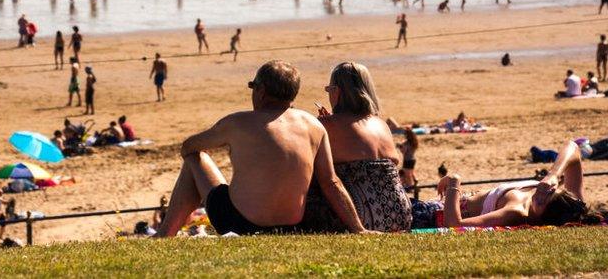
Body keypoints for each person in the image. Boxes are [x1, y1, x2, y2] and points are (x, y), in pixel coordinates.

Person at [153, 61, 366, 237]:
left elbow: (188, 146)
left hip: (239, 222)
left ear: (261, 91)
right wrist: (358, 229)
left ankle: (165, 233)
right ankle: (166, 233)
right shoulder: (314, 125)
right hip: (290, 226)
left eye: (253, 87)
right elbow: (331, 182)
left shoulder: (237, 123)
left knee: (195, 158)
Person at [301, 62, 412, 232]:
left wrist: (325, 124)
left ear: (337, 92)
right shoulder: (381, 124)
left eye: (329, 90)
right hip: (400, 215)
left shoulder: (325, 126)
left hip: (361, 218)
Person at [413, 140, 592, 228]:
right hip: (437, 205)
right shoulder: (571, 205)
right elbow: (573, 148)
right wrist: (553, 174)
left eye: (542, 201)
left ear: (543, 218)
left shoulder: (515, 212)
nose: (540, 193)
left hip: (429, 215)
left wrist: (454, 183)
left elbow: (454, 225)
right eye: (550, 192)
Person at [398, 128, 419, 193]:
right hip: (413, 159)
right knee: (410, 173)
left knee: (407, 175)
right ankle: (415, 180)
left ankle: (410, 188)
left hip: (407, 160)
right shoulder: (414, 141)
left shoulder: (406, 143)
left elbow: (404, 152)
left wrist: (400, 147)